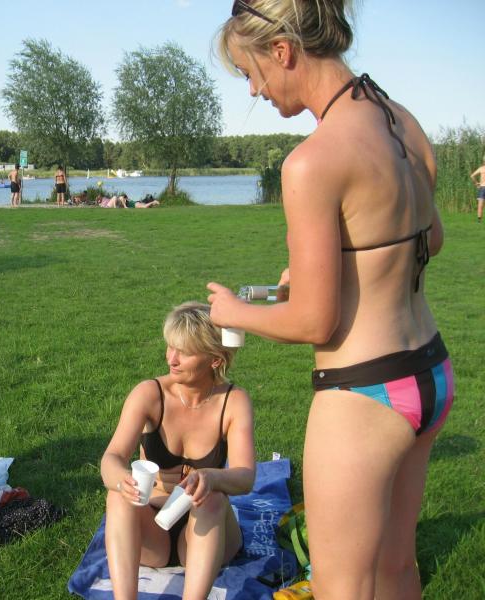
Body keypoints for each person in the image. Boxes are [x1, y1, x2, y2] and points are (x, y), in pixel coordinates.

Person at [209, 3, 453, 599]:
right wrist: (336, 269)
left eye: (250, 72)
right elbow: (431, 239)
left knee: (341, 587)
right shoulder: (399, 120)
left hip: (363, 394)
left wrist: (235, 313)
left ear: (282, 51)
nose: (254, 89)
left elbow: (316, 320)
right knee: (396, 570)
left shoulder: (311, 162)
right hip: (429, 371)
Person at [100, 302, 255, 600]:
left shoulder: (233, 401)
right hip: (153, 533)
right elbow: (112, 458)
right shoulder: (149, 394)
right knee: (117, 496)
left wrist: (212, 477)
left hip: (207, 529)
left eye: (184, 351)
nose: (171, 358)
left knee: (212, 497)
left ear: (214, 359)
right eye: (170, 347)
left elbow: (245, 477)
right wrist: (121, 479)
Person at [469, 156, 485, 222]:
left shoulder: (481, 168)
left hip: (482, 187)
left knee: (480, 205)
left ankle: (479, 220)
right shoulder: (481, 168)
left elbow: (472, 176)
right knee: (480, 205)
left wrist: (476, 183)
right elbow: (472, 176)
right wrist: (476, 183)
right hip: (482, 188)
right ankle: (479, 220)